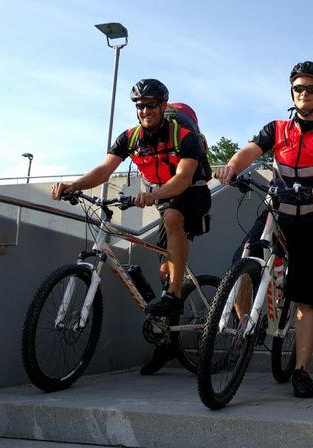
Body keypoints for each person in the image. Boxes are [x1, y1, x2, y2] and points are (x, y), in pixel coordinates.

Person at [51, 78, 212, 374]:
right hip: (165, 199)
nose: (145, 111)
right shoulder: (130, 137)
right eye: (139, 106)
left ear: (163, 105)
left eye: (151, 105)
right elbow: (104, 169)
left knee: (172, 218)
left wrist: (153, 194)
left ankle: (175, 296)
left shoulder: (184, 135)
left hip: (193, 192)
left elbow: (184, 178)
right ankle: (165, 343)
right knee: (164, 269)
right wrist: (73, 185)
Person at [216, 61, 313, 398]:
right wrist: (233, 164)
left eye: (310, 88)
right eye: (298, 89)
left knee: (306, 299)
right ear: (292, 92)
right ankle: (248, 326)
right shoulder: (277, 128)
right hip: (276, 214)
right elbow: (251, 150)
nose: (303, 94)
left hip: (310, 221)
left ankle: (302, 371)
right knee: (242, 265)